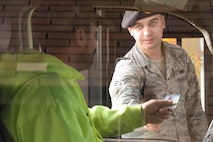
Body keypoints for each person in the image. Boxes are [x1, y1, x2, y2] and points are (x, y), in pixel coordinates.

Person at [0, 3, 173, 142]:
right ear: (81, 37)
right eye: (94, 35)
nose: (95, 43)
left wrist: (140, 113)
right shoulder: (51, 93)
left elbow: (83, 118)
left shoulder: (54, 82)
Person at [109, 10, 208, 142]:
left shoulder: (179, 56)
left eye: (153, 23)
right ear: (131, 31)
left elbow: (194, 110)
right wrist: (142, 115)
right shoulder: (128, 67)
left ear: (162, 22)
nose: (147, 32)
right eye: (139, 26)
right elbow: (123, 107)